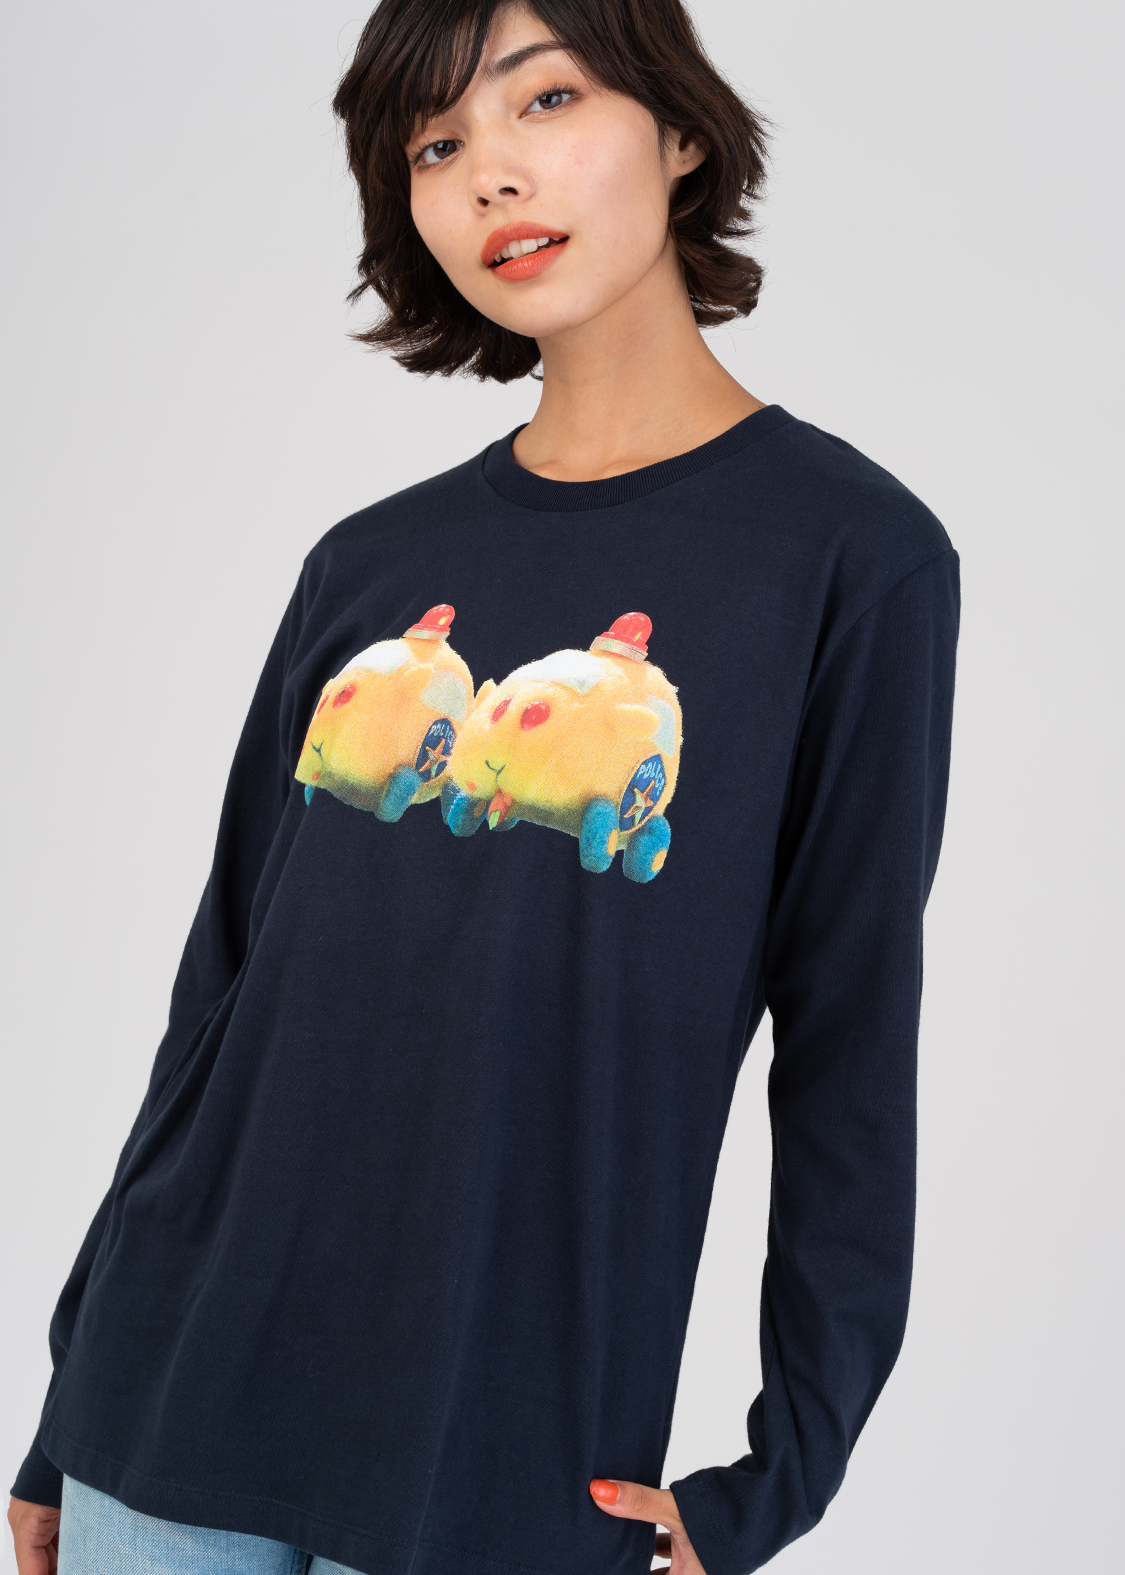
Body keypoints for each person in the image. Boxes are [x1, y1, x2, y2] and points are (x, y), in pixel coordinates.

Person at [7, 1, 959, 1572]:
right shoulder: (368, 564)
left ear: (680, 130)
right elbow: (219, 999)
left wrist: (780, 1473)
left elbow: (849, 1041)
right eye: (436, 145)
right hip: (161, 1418)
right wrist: (67, 1404)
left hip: (502, 1456)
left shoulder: (849, 557)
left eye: (545, 101)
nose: (490, 176)